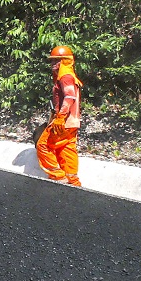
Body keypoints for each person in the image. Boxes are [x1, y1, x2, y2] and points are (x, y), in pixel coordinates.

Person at [36, 45, 83, 187]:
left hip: (64, 122)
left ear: (65, 61)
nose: (52, 64)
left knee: (43, 145)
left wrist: (60, 117)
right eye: (51, 61)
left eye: (56, 61)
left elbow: (70, 97)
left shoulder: (65, 77)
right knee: (67, 148)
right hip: (72, 123)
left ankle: (58, 177)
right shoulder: (70, 76)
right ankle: (73, 182)